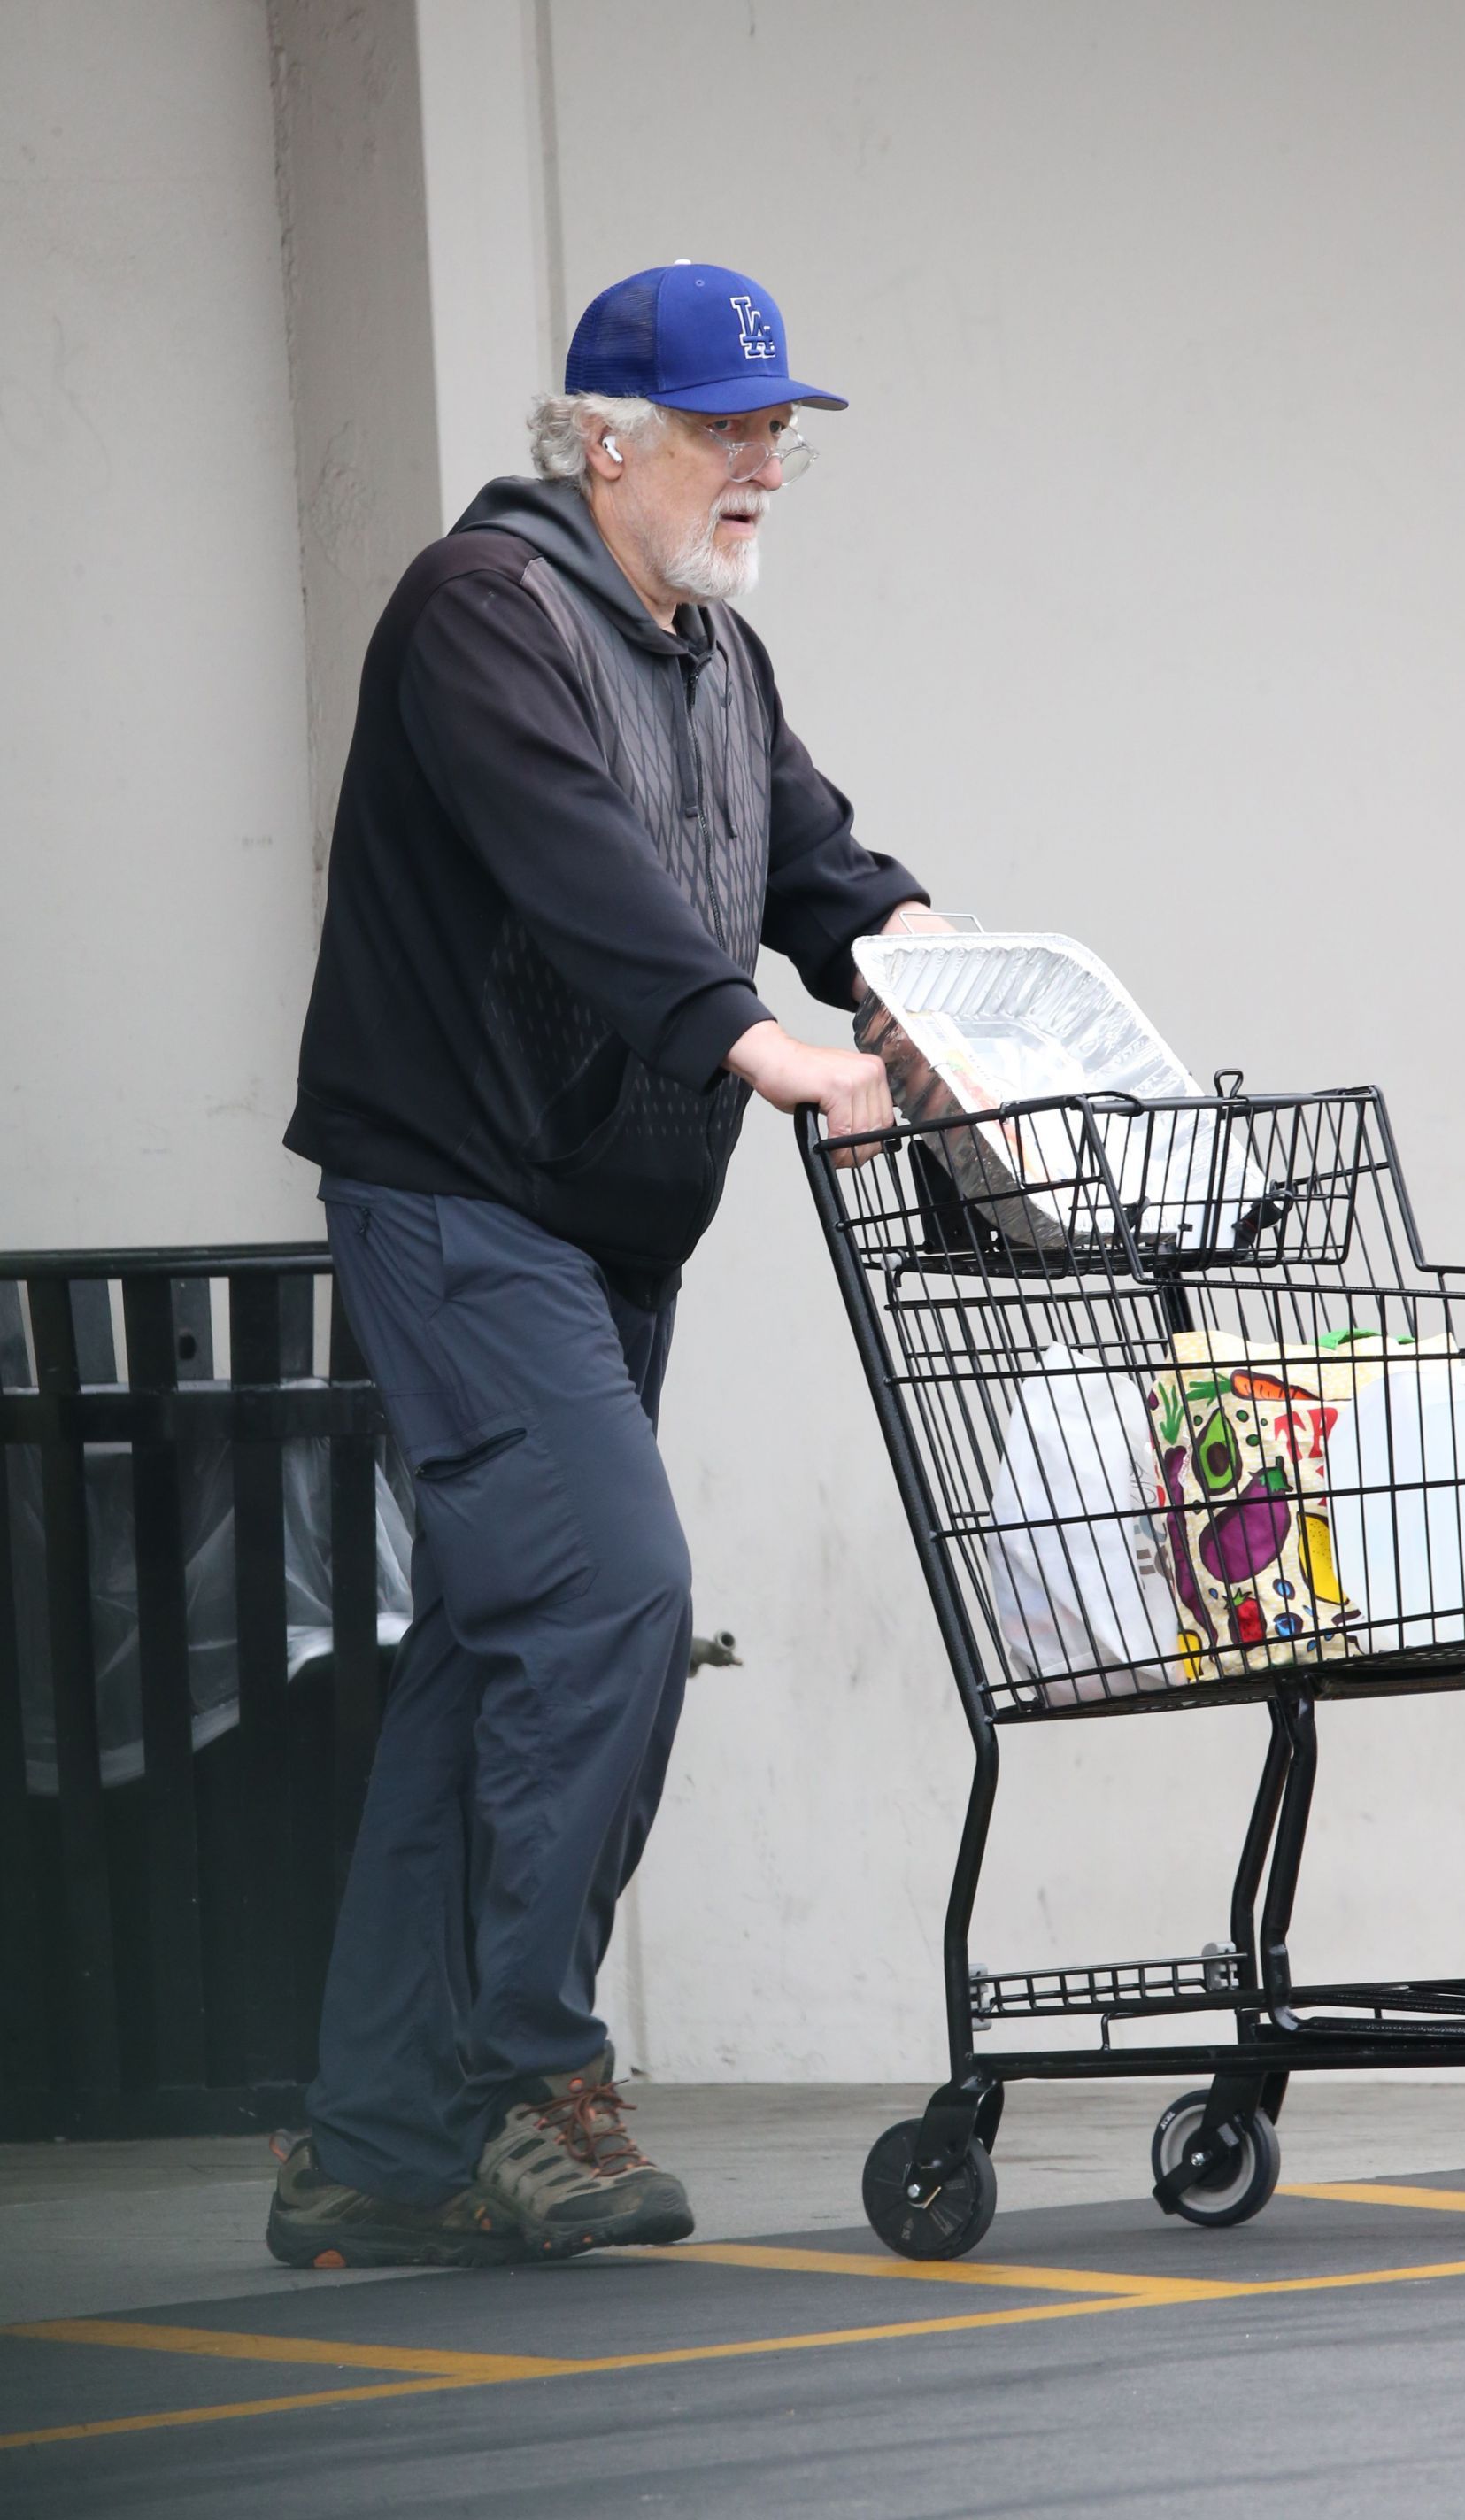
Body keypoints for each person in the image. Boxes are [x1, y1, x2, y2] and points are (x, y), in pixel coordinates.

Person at [266, 262, 945, 2269]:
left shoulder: (711, 654)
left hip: (602, 1226)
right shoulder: (482, 614)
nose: (761, 467)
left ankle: (370, 2140)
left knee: (498, 1651)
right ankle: (521, 2083)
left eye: (776, 434)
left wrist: (966, 1005)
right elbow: (588, 879)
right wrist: (775, 1060)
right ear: (603, 442)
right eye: (726, 432)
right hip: (461, 1197)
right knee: (611, 1604)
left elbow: (813, 863)